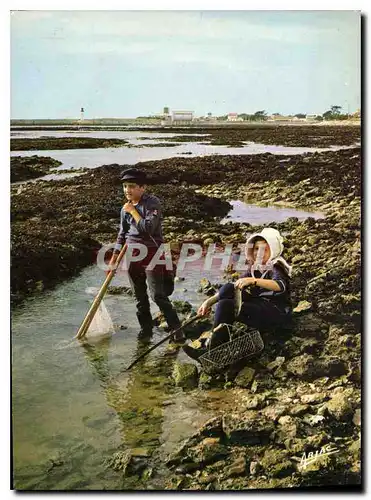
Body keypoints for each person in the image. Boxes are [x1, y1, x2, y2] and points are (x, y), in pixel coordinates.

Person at [183, 227, 292, 360]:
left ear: (273, 250)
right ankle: (213, 343)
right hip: (260, 305)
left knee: (228, 305)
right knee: (227, 293)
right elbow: (234, 286)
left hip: (276, 312)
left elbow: (280, 286)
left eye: (265, 249)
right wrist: (209, 302)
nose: (260, 253)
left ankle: (211, 350)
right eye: (257, 249)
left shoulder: (276, 266)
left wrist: (253, 280)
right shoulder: (254, 267)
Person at [108, 168, 184, 342]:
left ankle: (177, 330)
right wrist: (114, 256)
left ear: (142, 187)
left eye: (132, 186)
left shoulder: (152, 203)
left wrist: (133, 211)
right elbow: (122, 234)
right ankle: (146, 330)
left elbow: (147, 228)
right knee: (139, 297)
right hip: (132, 255)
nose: (128, 190)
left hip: (153, 253)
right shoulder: (124, 209)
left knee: (157, 295)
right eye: (125, 186)